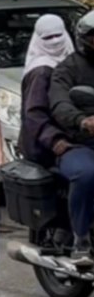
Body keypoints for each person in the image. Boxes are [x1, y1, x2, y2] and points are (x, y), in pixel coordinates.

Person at [48, 14, 94, 263]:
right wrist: (82, 120)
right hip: (78, 143)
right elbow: (59, 102)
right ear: (84, 39)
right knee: (87, 173)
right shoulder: (68, 68)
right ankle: (81, 238)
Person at [19, 14, 75, 169]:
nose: (55, 41)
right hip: (47, 152)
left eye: (58, 35)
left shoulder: (70, 63)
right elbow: (34, 113)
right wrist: (55, 140)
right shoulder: (41, 71)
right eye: (48, 37)